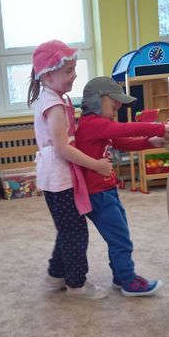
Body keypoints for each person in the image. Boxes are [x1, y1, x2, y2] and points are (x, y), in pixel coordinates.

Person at [28, 40, 113, 300]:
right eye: (68, 71)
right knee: (75, 232)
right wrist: (96, 165)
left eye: (74, 69)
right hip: (59, 177)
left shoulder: (54, 98)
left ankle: (56, 275)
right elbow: (63, 148)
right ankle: (76, 284)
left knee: (67, 228)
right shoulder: (53, 105)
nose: (74, 75)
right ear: (47, 76)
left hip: (57, 175)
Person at [75, 77, 169, 296]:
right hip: (98, 194)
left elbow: (122, 142)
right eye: (114, 105)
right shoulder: (91, 123)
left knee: (119, 235)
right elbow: (125, 129)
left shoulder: (100, 126)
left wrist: (149, 142)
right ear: (97, 100)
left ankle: (120, 277)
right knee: (121, 240)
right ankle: (129, 281)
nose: (117, 109)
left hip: (107, 191)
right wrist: (159, 128)